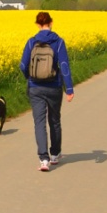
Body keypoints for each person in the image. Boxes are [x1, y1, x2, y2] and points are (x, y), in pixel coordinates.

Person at [19, 11, 75, 171]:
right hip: (54, 87)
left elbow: (23, 65)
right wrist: (69, 89)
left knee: (39, 123)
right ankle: (55, 154)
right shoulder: (58, 42)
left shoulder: (31, 42)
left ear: (37, 24)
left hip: (35, 87)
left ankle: (44, 160)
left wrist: (30, 77)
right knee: (54, 120)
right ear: (51, 23)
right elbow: (64, 66)